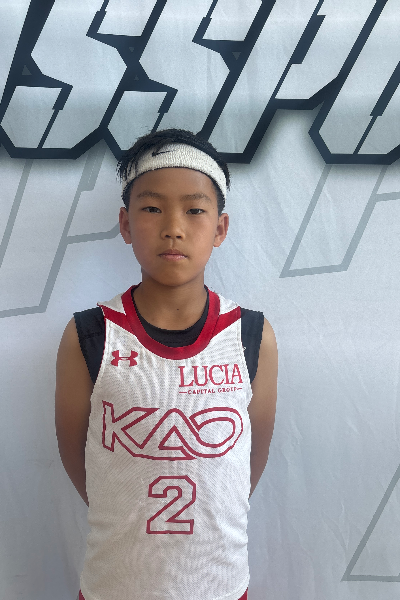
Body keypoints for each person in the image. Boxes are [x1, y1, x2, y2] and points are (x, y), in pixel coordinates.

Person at [55, 128, 278, 600]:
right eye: (152, 208)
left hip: (219, 585)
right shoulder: (89, 335)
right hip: (115, 585)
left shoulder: (251, 335)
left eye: (195, 210)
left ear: (220, 228)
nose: (173, 227)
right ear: (125, 223)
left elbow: (249, 462)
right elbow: (78, 457)